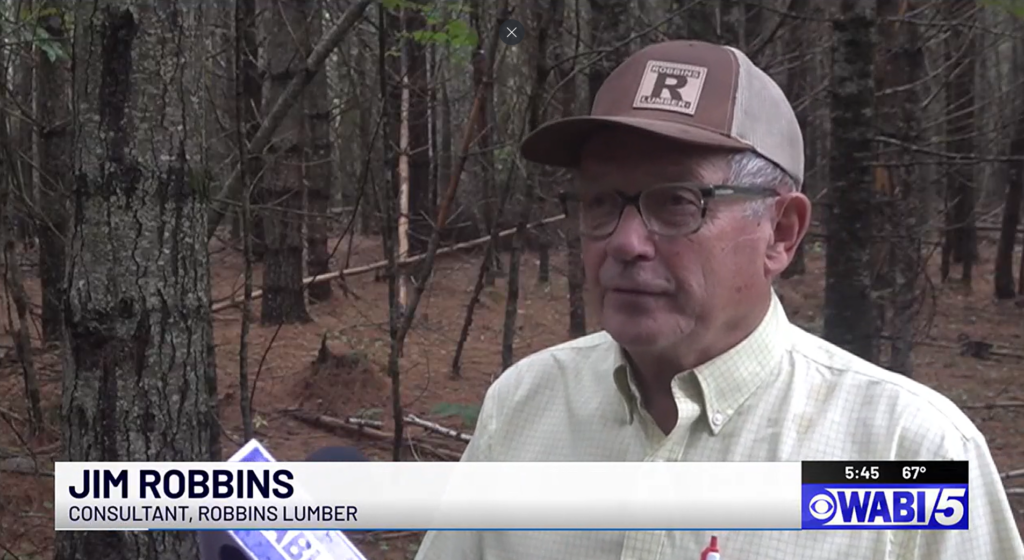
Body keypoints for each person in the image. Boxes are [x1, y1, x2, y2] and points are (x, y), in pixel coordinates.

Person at [413, 40, 1024, 560]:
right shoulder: (524, 406)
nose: (625, 242)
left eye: (678, 201)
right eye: (601, 201)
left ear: (780, 233)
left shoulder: (911, 454)